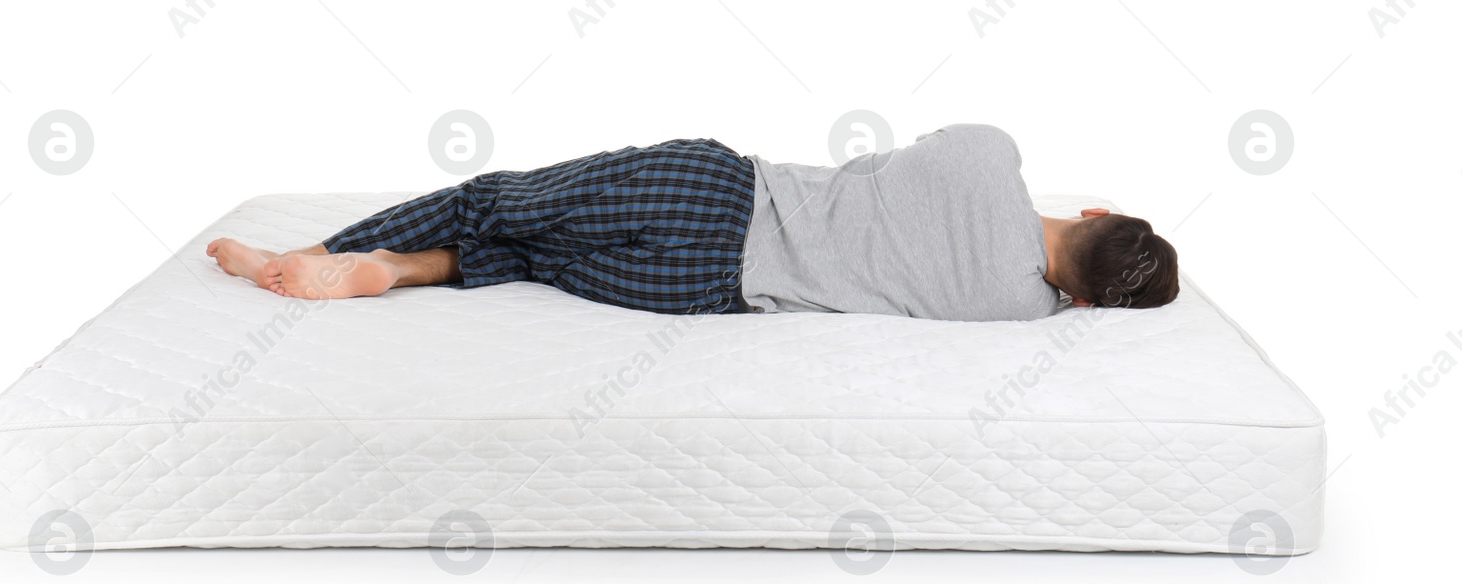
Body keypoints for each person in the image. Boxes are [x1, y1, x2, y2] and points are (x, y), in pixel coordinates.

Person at [207, 124, 1178, 320]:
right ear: (1089, 299)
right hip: (704, 292)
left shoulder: (988, 154)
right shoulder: (1014, 311)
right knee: (532, 258)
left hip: (718, 195)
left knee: (502, 198)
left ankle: (318, 255)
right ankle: (404, 271)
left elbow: (872, 164)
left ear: (1095, 209)